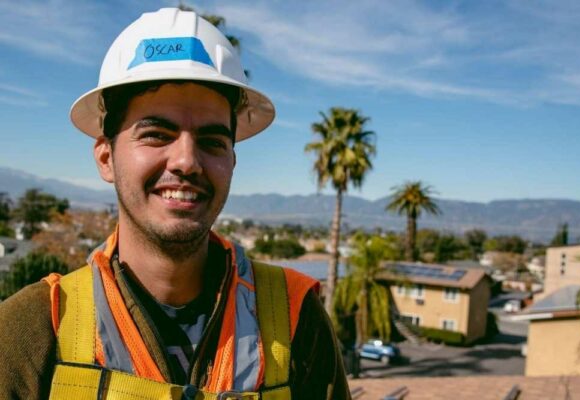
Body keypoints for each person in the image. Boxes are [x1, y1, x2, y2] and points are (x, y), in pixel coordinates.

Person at [0, 8, 351, 399]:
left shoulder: (295, 316)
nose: (187, 161)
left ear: (231, 162)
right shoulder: (32, 330)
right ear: (105, 157)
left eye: (213, 141)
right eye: (156, 134)